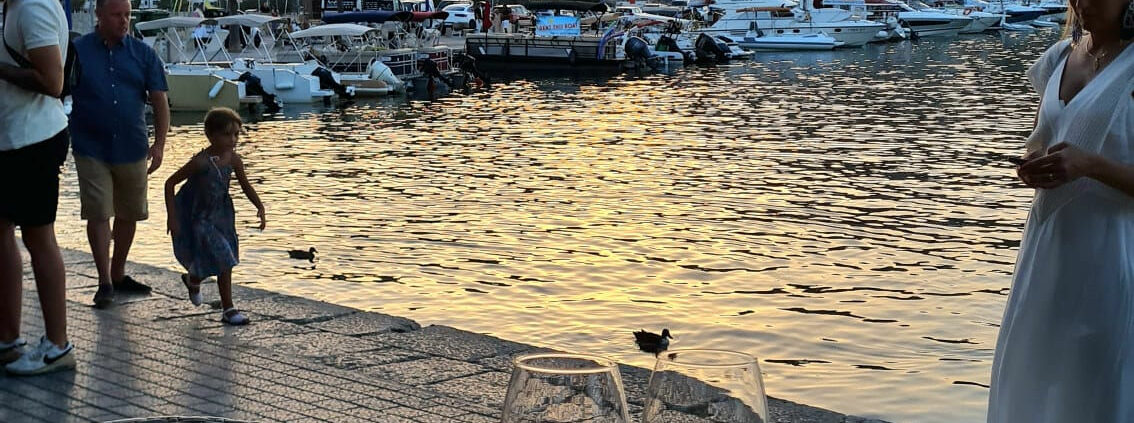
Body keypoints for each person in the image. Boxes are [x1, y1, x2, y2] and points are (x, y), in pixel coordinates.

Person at [988, 0, 1134, 420]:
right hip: (1048, 246)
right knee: (1035, 373)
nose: (1082, 2)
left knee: (1102, 382)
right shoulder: (1058, 57)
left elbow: (1085, 157)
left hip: (1115, 252)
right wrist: (1032, 170)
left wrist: (1090, 165)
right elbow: (1040, 144)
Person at [69, 0, 170, 308]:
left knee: (129, 212)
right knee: (98, 211)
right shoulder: (78, 51)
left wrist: (160, 145)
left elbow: (160, 101)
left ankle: (118, 272)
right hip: (90, 145)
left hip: (132, 146)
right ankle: (104, 282)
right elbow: (60, 89)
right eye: (116, 14)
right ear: (99, 15)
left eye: (127, 14)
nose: (123, 20)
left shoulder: (144, 55)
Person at [0, 0, 76, 375]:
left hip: (34, 141)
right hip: (9, 140)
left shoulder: (34, 7)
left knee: (38, 237)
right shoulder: (12, 7)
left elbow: (53, 82)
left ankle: (57, 345)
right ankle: (8, 339)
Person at [165, 107, 266, 326]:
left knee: (221, 259)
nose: (233, 139)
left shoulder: (234, 160)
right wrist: (172, 217)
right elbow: (170, 183)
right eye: (227, 134)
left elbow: (246, 185)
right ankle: (228, 309)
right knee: (225, 259)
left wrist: (259, 206)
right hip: (201, 219)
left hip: (223, 217)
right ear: (211, 135)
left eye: (236, 134)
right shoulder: (201, 162)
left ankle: (194, 279)